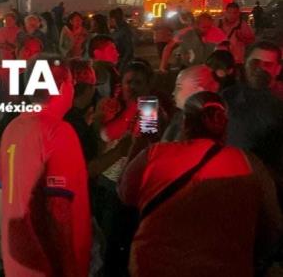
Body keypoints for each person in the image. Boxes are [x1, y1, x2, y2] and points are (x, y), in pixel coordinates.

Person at [119, 91, 283, 277]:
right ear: (225, 125)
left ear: (185, 122)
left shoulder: (154, 155)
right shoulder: (249, 165)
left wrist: (140, 141)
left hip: (155, 266)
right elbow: (273, 225)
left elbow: (125, 194)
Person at [0, 58, 92, 276]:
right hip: (48, 265)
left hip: (17, 261)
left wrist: (7, 245)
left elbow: (0, 192)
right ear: (63, 87)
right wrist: (70, 269)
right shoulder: (59, 132)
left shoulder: (13, 127)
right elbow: (59, 209)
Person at [162, 65, 220, 142]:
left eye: (179, 88)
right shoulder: (179, 117)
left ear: (199, 91)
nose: (173, 93)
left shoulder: (208, 126)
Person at [159, 12, 227, 72]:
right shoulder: (185, 34)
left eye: (209, 27)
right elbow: (168, 48)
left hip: (210, 70)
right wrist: (162, 67)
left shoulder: (217, 33)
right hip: (189, 69)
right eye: (204, 27)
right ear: (196, 25)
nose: (206, 30)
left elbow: (226, 50)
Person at [89, 34, 120, 99]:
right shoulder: (100, 76)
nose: (117, 54)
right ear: (97, 54)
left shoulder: (110, 71)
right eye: (112, 50)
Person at [109, 7, 135, 71]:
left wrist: (123, 62)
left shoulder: (124, 30)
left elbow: (129, 48)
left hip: (123, 61)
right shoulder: (116, 31)